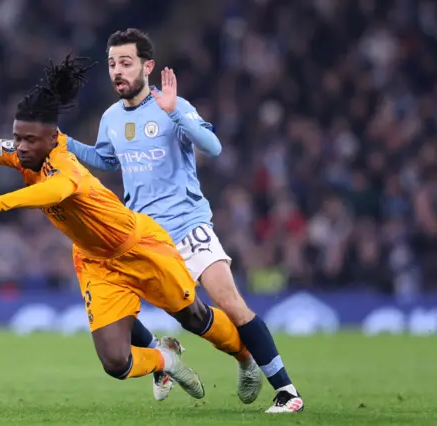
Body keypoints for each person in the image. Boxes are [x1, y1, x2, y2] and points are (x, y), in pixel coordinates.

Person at [0, 54, 252, 398]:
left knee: (193, 317)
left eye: (29, 140)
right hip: (96, 262)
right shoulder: (24, 150)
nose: (21, 148)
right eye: (18, 138)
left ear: (53, 136)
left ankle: (245, 356)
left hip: (139, 247)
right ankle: (166, 360)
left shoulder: (64, 168)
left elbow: (51, 192)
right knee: (116, 363)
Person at [65, 28, 303, 413]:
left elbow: (213, 147)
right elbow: (107, 160)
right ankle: (162, 355)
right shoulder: (110, 118)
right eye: (112, 64)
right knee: (118, 309)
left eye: (125, 63)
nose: (117, 71)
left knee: (229, 303)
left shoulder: (171, 105)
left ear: (148, 66)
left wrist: (175, 110)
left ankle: (285, 389)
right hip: (141, 236)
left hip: (186, 226)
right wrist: (63, 143)